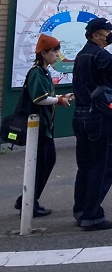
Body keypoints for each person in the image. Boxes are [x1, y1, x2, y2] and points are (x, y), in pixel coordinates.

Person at [72, 17, 112, 231]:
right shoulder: (99, 54)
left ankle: (81, 210)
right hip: (99, 118)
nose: (109, 35)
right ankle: (92, 215)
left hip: (80, 116)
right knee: (102, 166)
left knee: (85, 166)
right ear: (96, 35)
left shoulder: (81, 55)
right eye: (106, 32)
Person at [16, 33, 72, 217]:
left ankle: (26, 200)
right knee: (43, 163)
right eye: (54, 51)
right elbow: (39, 99)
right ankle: (28, 202)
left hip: (43, 126)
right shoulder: (37, 73)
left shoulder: (43, 71)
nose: (57, 55)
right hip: (38, 128)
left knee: (44, 162)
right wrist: (59, 100)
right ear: (44, 53)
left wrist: (61, 98)